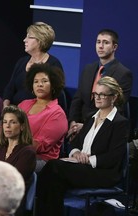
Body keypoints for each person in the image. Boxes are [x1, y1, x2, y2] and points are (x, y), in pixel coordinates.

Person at [36, 76, 130, 216]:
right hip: (81, 167)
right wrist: (76, 153)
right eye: (95, 94)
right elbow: (75, 143)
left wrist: (87, 160)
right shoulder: (91, 117)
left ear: (114, 97)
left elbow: (113, 157)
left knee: (53, 166)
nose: (97, 98)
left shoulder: (120, 123)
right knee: (55, 183)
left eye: (102, 94)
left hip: (103, 172)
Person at [68, 29, 133, 140]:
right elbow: (77, 99)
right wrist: (73, 123)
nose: (100, 46)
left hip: (104, 130)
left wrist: (87, 127)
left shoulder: (123, 74)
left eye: (106, 42)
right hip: (78, 129)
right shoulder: (88, 69)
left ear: (114, 47)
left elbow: (116, 108)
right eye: (98, 42)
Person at [18, 63, 68, 172]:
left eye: (44, 81)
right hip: (16, 152)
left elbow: (39, 146)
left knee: (12, 166)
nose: (39, 84)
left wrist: (12, 145)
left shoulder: (57, 114)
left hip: (42, 161)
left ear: (53, 85)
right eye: (36, 82)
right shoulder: (23, 104)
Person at [3, 21, 63, 107]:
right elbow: (10, 88)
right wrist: (5, 107)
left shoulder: (53, 64)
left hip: (39, 113)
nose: (24, 40)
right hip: (15, 114)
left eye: (29, 37)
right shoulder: (22, 62)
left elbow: (56, 95)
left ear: (40, 40)